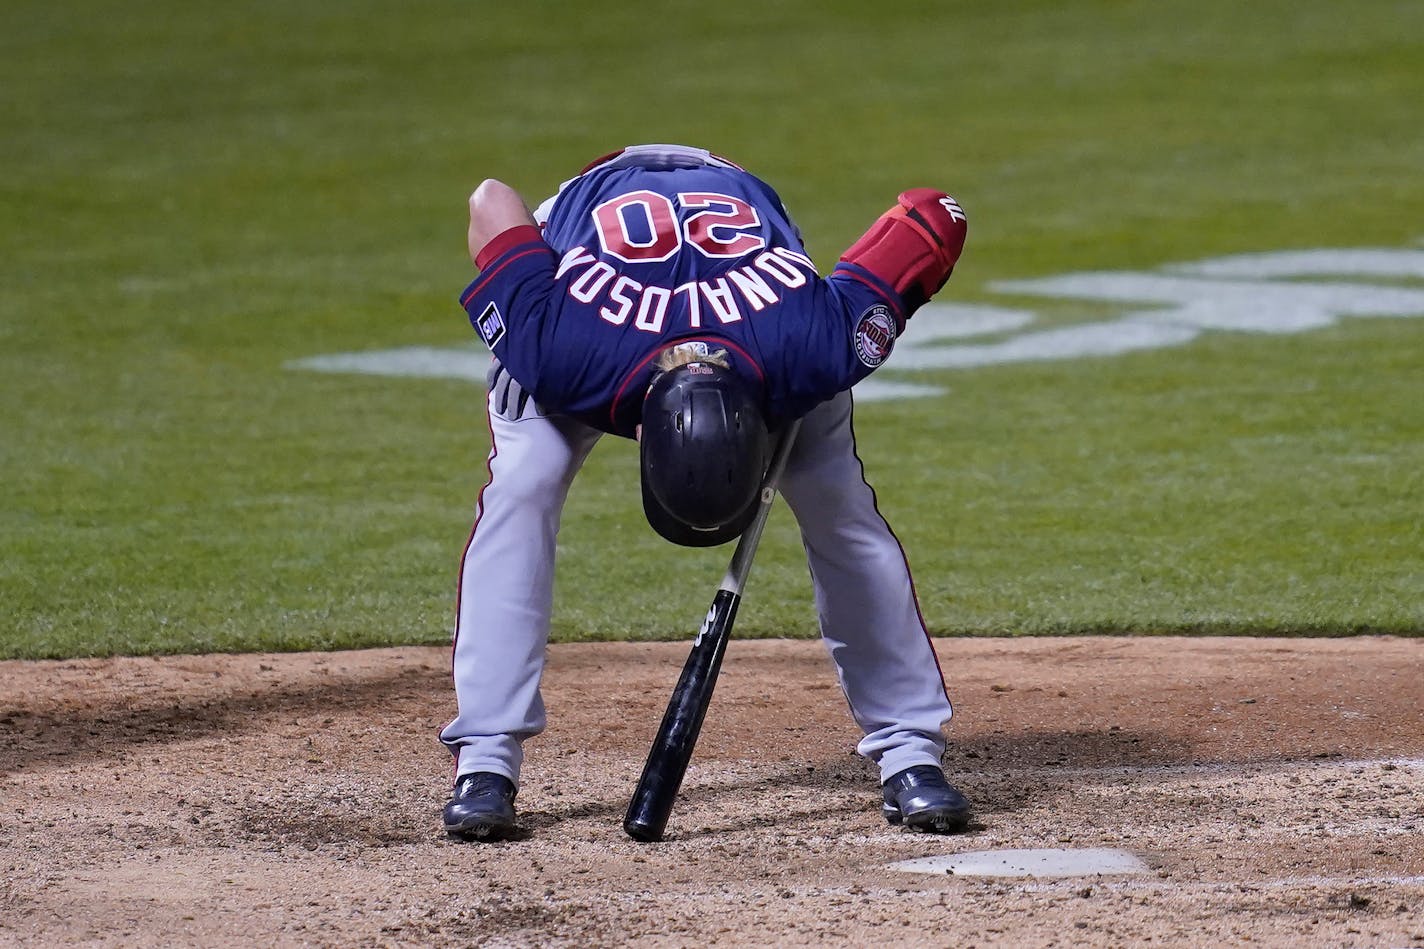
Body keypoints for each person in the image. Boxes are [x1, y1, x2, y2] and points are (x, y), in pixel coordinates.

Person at [440, 144, 972, 841]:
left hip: (761, 305)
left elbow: (933, 218)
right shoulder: (560, 349)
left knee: (833, 497)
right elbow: (492, 201)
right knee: (525, 477)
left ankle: (910, 754)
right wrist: (517, 324)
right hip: (585, 268)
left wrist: (865, 312)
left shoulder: (816, 345)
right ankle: (485, 761)